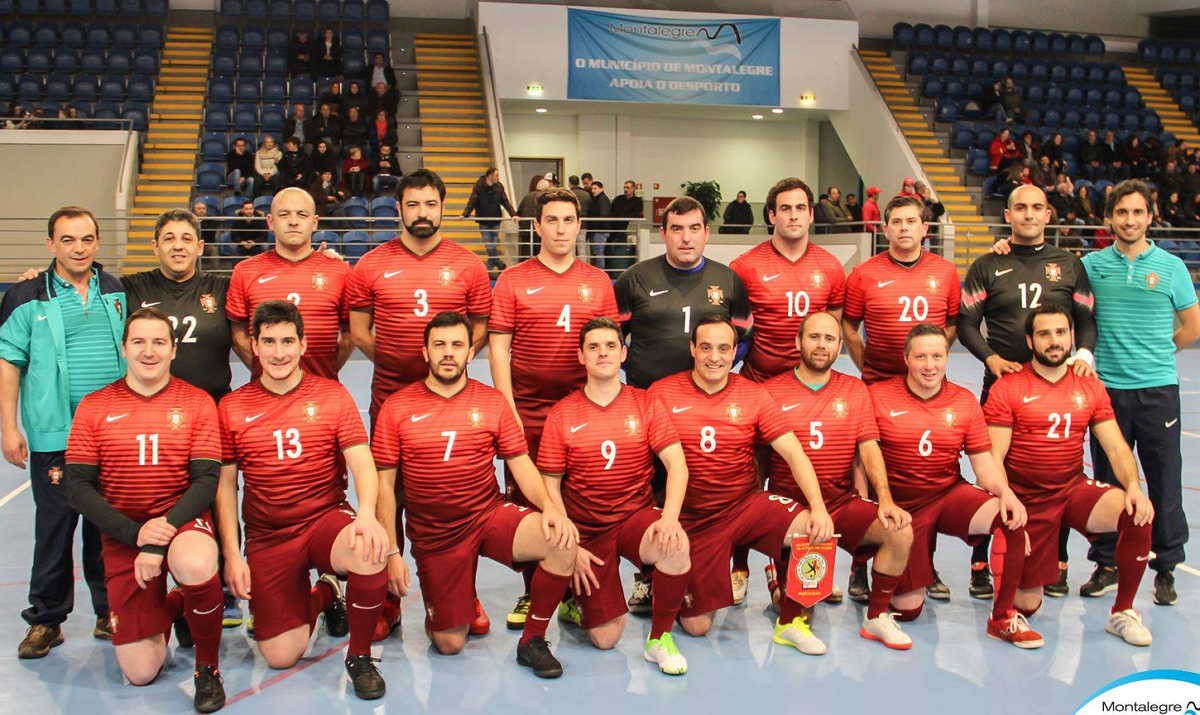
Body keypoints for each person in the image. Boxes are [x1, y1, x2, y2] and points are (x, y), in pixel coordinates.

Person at [372, 311, 578, 677]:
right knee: (449, 643)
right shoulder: (397, 407)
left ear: (470, 352)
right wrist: (390, 551)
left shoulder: (492, 402)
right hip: (435, 534)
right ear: (425, 352)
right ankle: (457, 598)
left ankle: (533, 640)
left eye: (457, 345)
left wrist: (551, 508)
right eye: (439, 345)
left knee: (561, 542)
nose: (448, 353)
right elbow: (384, 489)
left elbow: (522, 466)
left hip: (487, 515)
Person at [215, 300, 390, 700]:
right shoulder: (233, 408)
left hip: (324, 519)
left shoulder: (331, 395)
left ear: (304, 344)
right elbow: (226, 486)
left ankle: (360, 656)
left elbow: (362, 461)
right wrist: (233, 553)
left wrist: (366, 515)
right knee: (280, 655)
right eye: (270, 342)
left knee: (369, 549)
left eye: (288, 341)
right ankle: (328, 592)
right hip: (268, 535)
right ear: (254, 346)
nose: (279, 352)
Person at [64, 308, 226, 712]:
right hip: (124, 534)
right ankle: (178, 604)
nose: (148, 351)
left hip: (182, 523)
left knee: (195, 563)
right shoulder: (95, 406)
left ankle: (208, 668)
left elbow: (206, 480)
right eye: (138, 342)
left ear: (173, 350)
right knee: (140, 672)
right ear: (124, 348)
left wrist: (160, 536)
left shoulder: (196, 401)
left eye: (158, 342)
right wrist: (134, 534)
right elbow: (77, 486)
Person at [648, 316, 835, 654]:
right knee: (697, 627)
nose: (714, 357)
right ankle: (680, 583)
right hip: (694, 519)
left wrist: (819, 508)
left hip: (744, 506)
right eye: (705, 347)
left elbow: (793, 452)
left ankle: (790, 623)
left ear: (735, 352)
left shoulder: (753, 394)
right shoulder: (662, 393)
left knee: (808, 526)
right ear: (692, 349)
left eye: (723, 349)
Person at [984, 305, 1155, 646]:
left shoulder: (1089, 387)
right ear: (1030, 340)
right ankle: (1007, 585)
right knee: (1027, 605)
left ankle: (1122, 612)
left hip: (1072, 489)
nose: (1054, 341)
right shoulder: (1009, 388)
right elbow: (994, 455)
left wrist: (1134, 487)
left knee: (1136, 514)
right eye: (1045, 334)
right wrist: (1005, 497)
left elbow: (1117, 447)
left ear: (1072, 338)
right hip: (1027, 499)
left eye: (1061, 333)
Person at [959, 185, 1098, 598]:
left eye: (1037, 207)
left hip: (1057, 386)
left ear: (1048, 214)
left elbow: (1086, 317)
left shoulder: (1069, 264)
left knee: (1057, 474)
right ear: (1008, 214)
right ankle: (981, 562)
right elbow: (966, 322)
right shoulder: (987, 264)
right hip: (1003, 386)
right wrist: (989, 358)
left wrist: (1085, 353)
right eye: (1020, 207)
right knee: (994, 471)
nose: (1029, 214)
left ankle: (1055, 562)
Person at [488, 189, 618, 630]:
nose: (561, 228)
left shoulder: (598, 282)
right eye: (552, 220)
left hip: (579, 411)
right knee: (529, 501)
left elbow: (608, 349)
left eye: (568, 220)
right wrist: (507, 408)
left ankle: (574, 590)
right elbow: (499, 347)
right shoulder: (513, 280)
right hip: (526, 409)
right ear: (537, 226)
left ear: (579, 226)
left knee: (576, 496)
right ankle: (532, 590)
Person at [537, 316, 692, 673]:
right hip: (588, 531)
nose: (602, 353)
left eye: (610, 346)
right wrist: (569, 546)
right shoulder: (563, 413)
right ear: (581, 356)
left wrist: (669, 519)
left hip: (634, 517)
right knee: (606, 639)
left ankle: (659, 639)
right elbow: (550, 483)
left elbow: (677, 465)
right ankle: (574, 597)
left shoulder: (645, 402)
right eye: (593, 347)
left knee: (675, 545)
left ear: (623, 353)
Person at [870, 324, 1040, 647]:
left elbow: (984, 463)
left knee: (1010, 519)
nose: (929, 365)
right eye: (921, 356)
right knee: (908, 610)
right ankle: (888, 567)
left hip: (947, 493)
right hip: (902, 507)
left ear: (948, 358)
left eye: (937, 356)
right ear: (906, 359)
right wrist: (879, 504)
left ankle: (1002, 618)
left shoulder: (963, 401)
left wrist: (1006, 494)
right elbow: (864, 459)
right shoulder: (878, 396)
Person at [1, 206, 123, 657]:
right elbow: (8, 361)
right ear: (50, 244)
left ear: (97, 243)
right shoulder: (26, 296)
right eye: (68, 240)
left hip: (110, 435)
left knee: (105, 527)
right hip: (55, 435)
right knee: (54, 526)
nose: (78, 248)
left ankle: (108, 612)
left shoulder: (114, 289)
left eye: (87, 239)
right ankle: (46, 619)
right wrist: (8, 426)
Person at [762, 312, 914, 649]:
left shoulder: (855, 390)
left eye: (829, 339)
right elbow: (758, 459)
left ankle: (875, 617)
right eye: (814, 337)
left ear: (840, 346)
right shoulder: (771, 391)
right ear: (797, 342)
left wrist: (885, 500)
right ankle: (784, 602)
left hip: (841, 501)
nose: (821, 345)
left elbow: (869, 448)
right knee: (809, 598)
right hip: (791, 507)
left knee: (899, 530)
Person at [1080, 179, 1200, 605]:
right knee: (1109, 483)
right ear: (1109, 218)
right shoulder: (1092, 265)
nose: (1129, 220)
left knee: (1165, 479)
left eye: (1137, 213)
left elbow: (1192, 325)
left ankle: (1165, 567)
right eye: (1121, 213)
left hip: (1157, 391)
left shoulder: (1171, 267)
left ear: (1150, 217)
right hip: (1106, 392)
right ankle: (1107, 563)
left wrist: (1158, 352)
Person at [227, 187, 352, 380]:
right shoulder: (245, 271)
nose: (293, 221)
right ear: (270, 222)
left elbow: (350, 334)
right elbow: (238, 335)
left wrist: (326, 371)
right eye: (284, 214)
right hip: (265, 393)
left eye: (302, 215)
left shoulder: (340, 272)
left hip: (322, 392)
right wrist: (265, 370)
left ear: (315, 222)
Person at [732, 177, 846, 383]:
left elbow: (832, 328)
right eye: (785, 208)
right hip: (759, 384)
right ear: (772, 216)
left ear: (811, 215)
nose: (794, 216)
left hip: (811, 386)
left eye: (801, 208)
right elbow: (733, 331)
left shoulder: (831, 267)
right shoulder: (744, 267)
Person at [843, 195, 960, 384]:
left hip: (930, 382)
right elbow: (848, 327)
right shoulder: (863, 274)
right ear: (886, 230)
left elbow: (953, 324)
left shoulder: (947, 271)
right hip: (879, 381)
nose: (904, 227)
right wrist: (866, 366)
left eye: (911, 221)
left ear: (924, 228)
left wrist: (932, 355)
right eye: (896, 222)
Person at [462, 167, 517, 274]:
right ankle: (499, 264)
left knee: (493, 245)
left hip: (496, 220)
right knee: (489, 245)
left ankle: (489, 269)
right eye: (496, 175)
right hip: (483, 222)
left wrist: (513, 214)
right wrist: (465, 214)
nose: (498, 178)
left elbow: (505, 202)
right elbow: (472, 200)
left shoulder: (499, 186)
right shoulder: (479, 186)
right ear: (490, 175)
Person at [608, 179, 643, 274]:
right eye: (624, 187)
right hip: (614, 228)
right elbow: (612, 211)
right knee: (611, 249)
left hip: (627, 229)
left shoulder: (637, 201)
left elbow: (637, 214)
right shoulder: (618, 199)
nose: (625, 189)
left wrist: (624, 216)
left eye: (628, 187)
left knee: (625, 251)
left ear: (633, 188)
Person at [516, 176, 551, 259]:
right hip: (538, 231)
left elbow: (518, 212)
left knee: (525, 256)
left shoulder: (527, 196)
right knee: (538, 257)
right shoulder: (544, 198)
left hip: (525, 230)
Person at [587, 181, 613, 275]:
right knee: (597, 253)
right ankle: (598, 272)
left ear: (601, 189)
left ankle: (600, 273)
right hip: (598, 230)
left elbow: (604, 214)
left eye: (595, 188)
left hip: (600, 230)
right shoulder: (599, 199)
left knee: (598, 253)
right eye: (592, 189)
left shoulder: (602, 199)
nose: (593, 191)